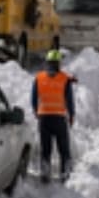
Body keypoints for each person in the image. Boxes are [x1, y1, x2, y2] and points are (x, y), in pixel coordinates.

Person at [30, 48, 74, 183]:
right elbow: (69, 100)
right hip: (59, 118)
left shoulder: (39, 78)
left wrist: (36, 112)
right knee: (63, 149)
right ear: (58, 64)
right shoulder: (64, 79)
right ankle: (64, 174)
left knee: (46, 149)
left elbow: (33, 98)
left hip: (44, 119)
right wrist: (72, 115)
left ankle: (45, 174)